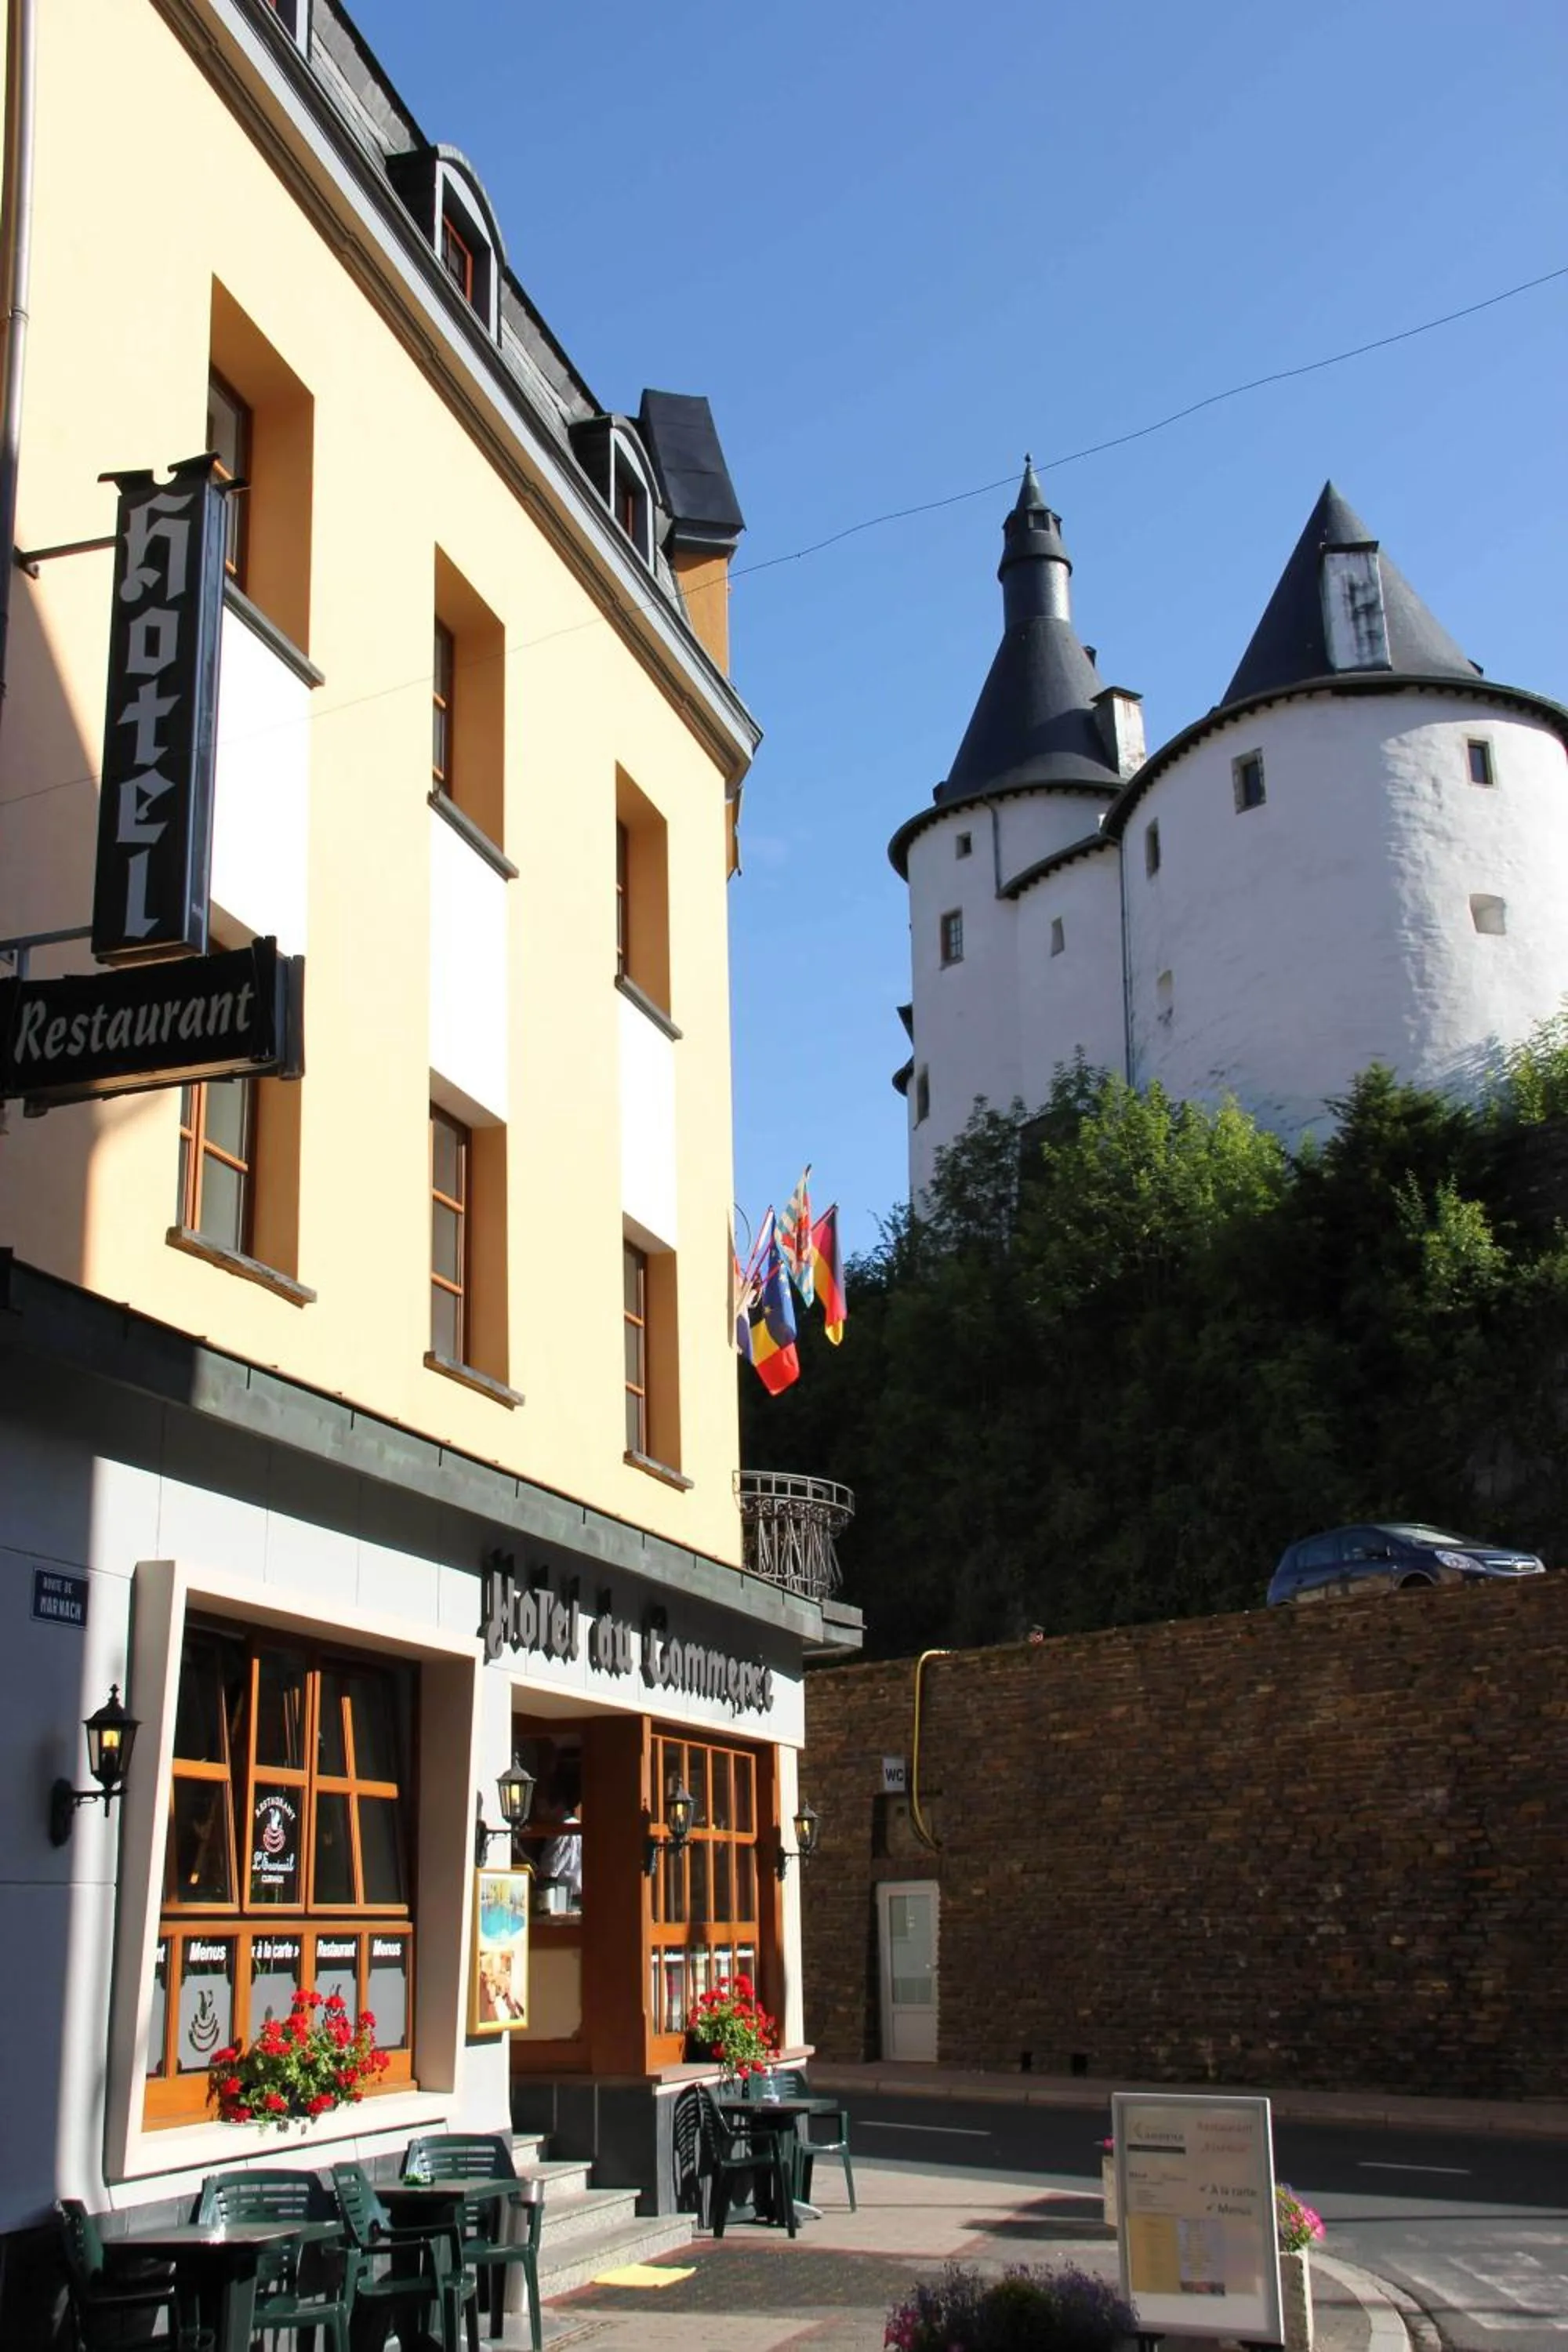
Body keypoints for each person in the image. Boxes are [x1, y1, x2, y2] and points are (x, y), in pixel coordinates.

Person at [537, 1802, 583, 1909]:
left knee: (559, 1917)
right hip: (579, 1894)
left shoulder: (560, 1829)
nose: (540, 1812)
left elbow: (549, 1869)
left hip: (562, 1892)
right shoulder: (578, 1826)